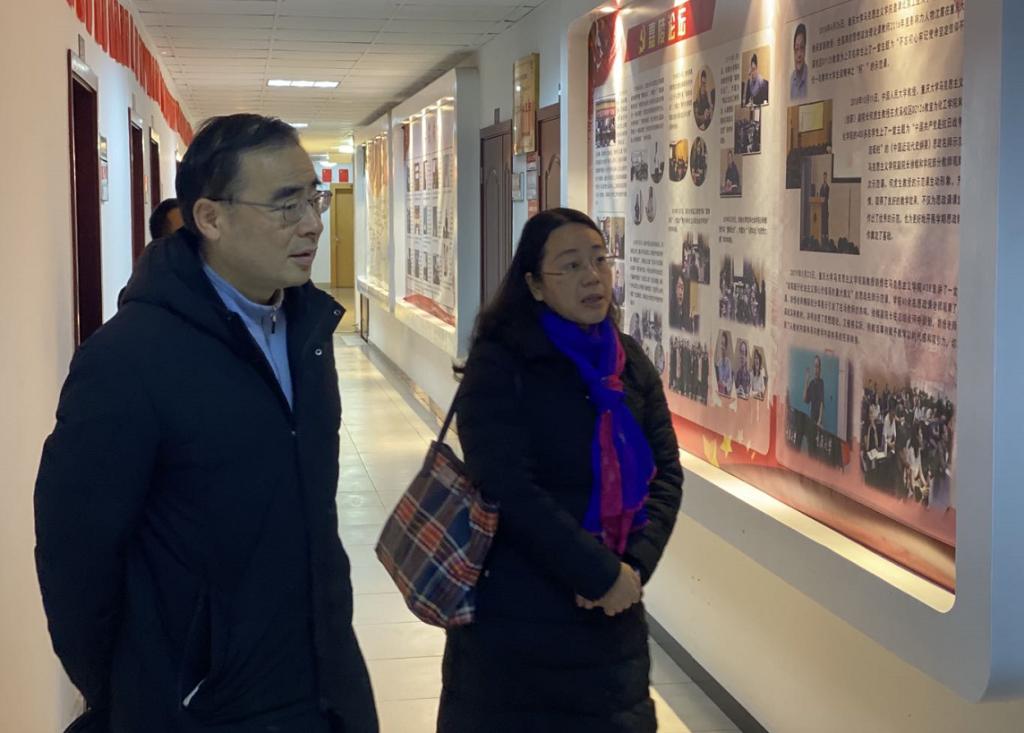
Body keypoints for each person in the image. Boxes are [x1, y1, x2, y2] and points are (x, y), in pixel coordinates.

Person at [34, 114, 377, 733]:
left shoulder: (309, 333)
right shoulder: (129, 359)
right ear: (211, 218)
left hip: (322, 682)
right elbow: (75, 555)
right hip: (202, 707)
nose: (312, 223)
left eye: (314, 198)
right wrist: (137, 689)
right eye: (286, 205)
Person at [438, 208, 684, 732]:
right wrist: (595, 572)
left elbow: (666, 472)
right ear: (534, 284)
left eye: (599, 260)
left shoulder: (627, 362)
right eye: (570, 266)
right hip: (515, 622)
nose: (592, 277)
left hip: (611, 624)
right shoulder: (500, 364)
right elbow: (505, 485)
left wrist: (631, 570)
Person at [791, 24, 809, 99]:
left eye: (801, 48)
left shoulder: (809, 76)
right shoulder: (792, 79)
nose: (799, 55)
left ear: (805, 50)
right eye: (796, 49)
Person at [715, 331, 733, 397]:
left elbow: (730, 381)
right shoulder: (717, 363)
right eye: (721, 344)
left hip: (724, 392)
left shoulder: (728, 363)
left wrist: (724, 384)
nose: (722, 347)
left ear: (726, 346)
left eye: (724, 344)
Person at [819, 171, 830, 243]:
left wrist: (823, 199)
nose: (824, 178)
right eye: (823, 177)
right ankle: (822, 234)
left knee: (826, 220)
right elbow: (820, 195)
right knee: (822, 219)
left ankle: (826, 234)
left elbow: (827, 197)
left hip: (825, 205)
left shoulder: (827, 187)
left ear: (826, 177)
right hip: (821, 206)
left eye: (825, 177)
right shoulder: (821, 186)